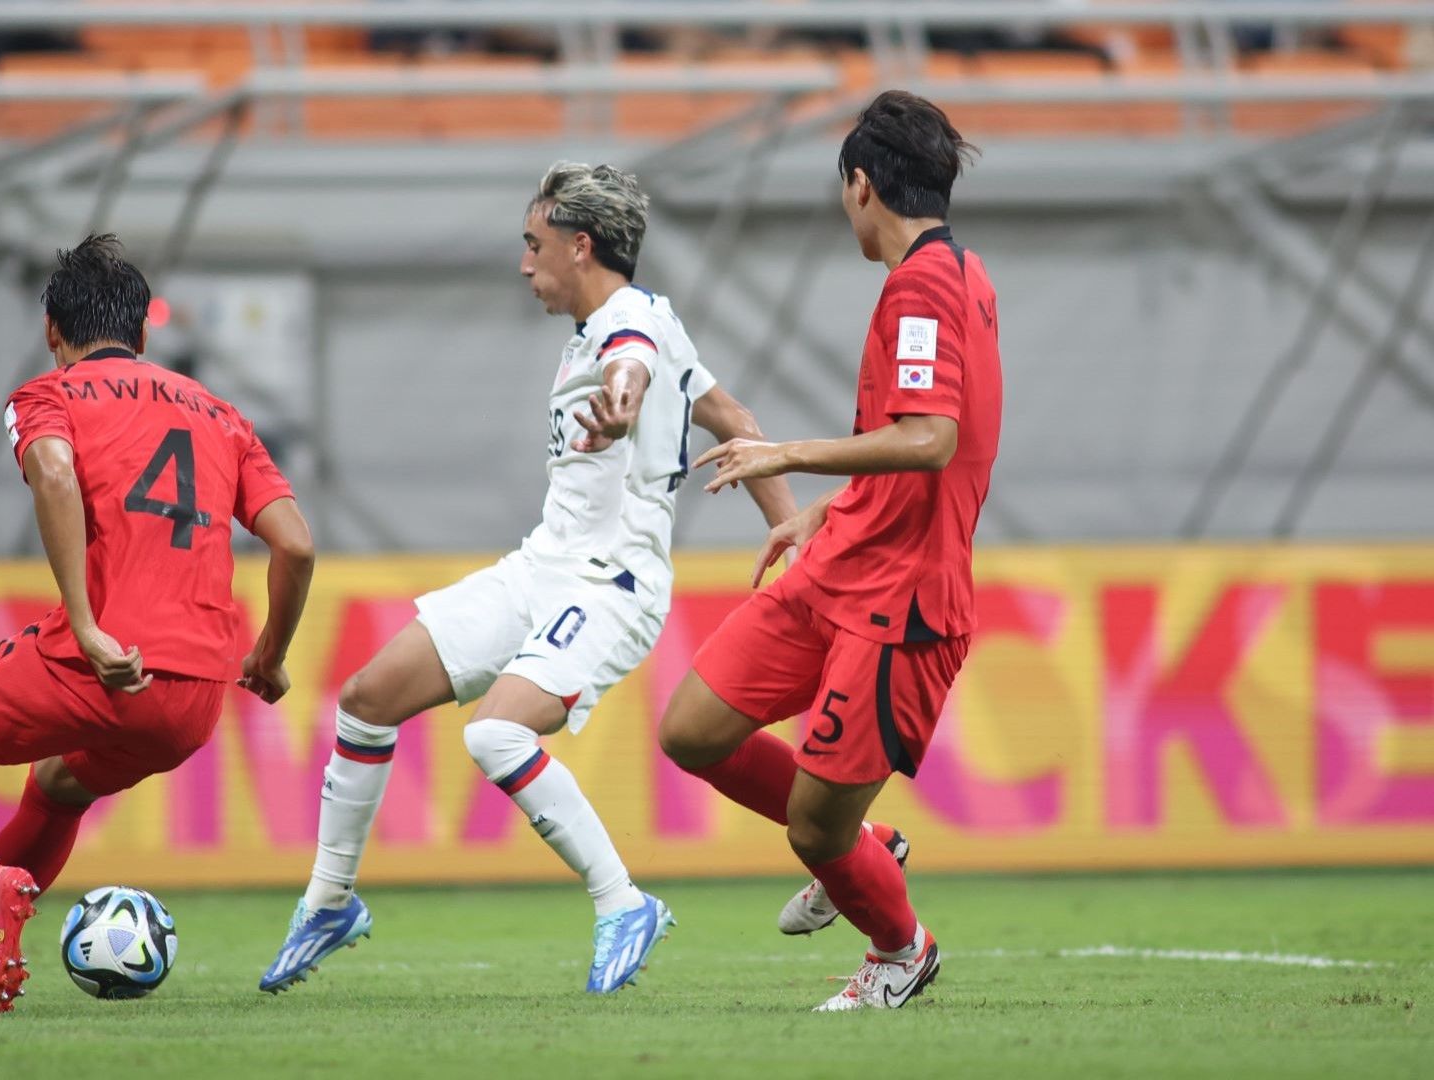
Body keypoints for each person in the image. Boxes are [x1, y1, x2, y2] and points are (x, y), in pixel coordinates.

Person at [260, 162, 797, 995]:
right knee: (367, 698)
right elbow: (738, 423)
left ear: (580, 247)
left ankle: (623, 903)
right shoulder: (628, 323)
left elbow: (631, 368)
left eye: (533, 244)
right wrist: (787, 525)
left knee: (496, 734)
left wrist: (623, 402)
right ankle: (329, 902)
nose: (523, 264)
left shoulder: (628, 326)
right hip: (544, 565)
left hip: (610, 584)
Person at [0, 235, 314, 1013]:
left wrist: (86, 624)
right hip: (197, 696)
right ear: (142, 334)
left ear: (53, 333)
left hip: (101, 662)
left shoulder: (48, 396)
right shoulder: (223, 415)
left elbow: (54, 470)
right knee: (60, 787)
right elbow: (297, 544)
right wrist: (269, 657)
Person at [658, 90, 1000, 1011]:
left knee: (813, 830)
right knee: (691, 729)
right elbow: (926, 449)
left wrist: (790, 455)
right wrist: (824, 510)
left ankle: (900, 949)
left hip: (902, 599)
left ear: (860, 186)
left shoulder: (928, 285)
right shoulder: (945, 278)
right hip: (842, 560)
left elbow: (931, 437)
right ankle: (867, 845)